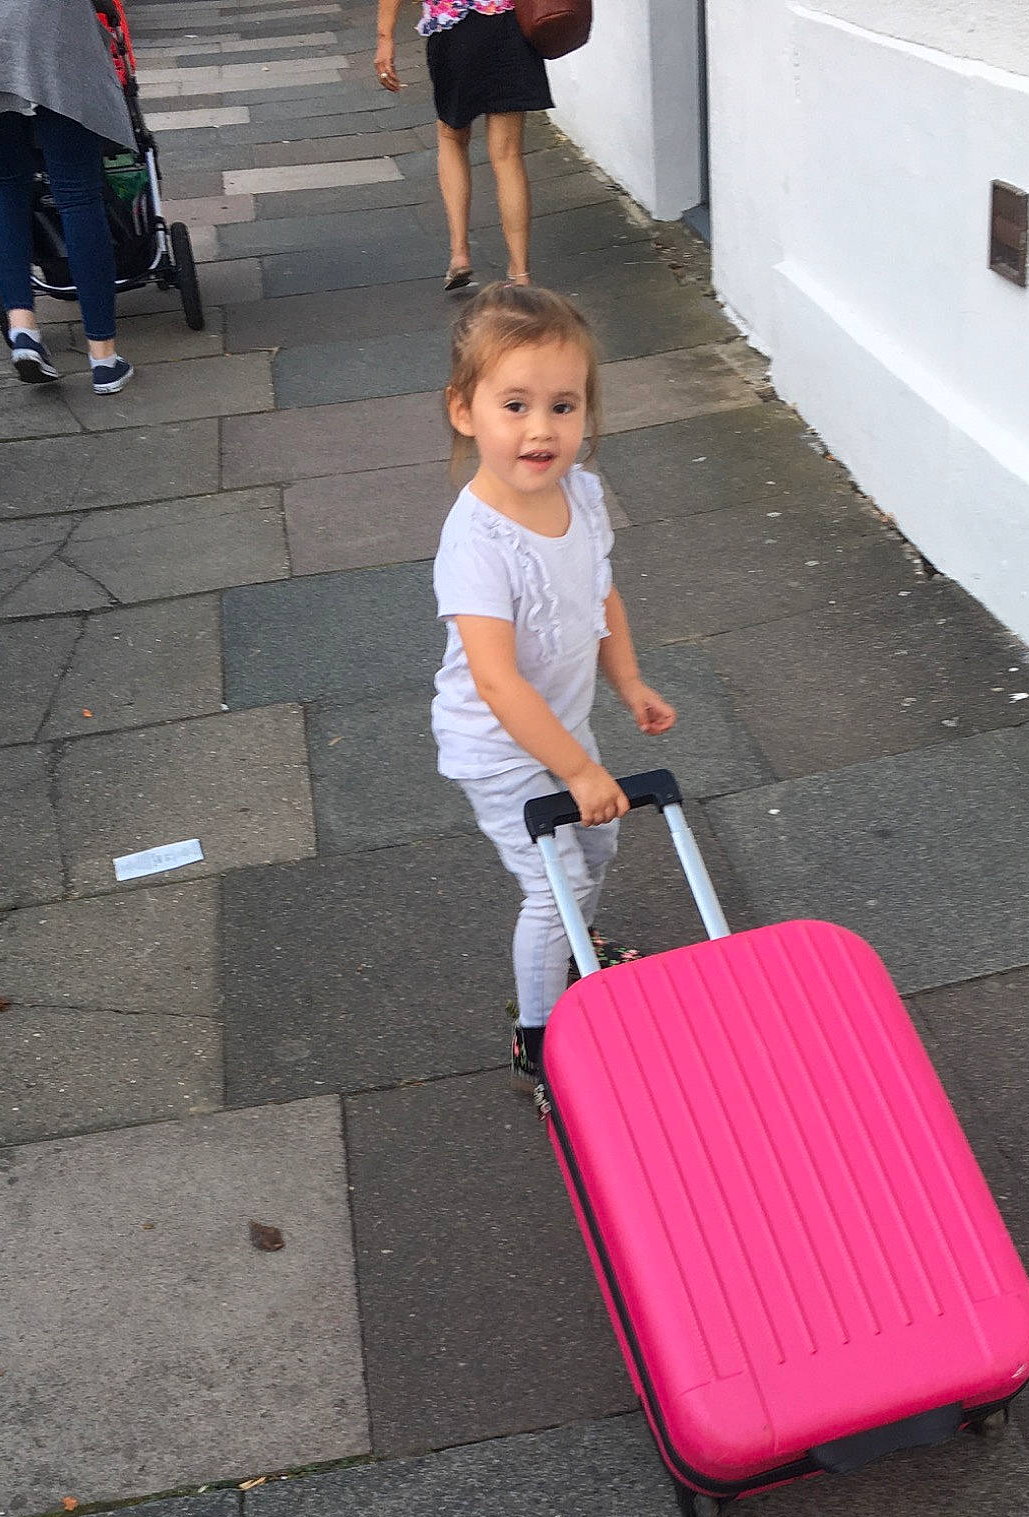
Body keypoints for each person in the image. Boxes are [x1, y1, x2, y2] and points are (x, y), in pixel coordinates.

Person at [432, 283, 678, 1093]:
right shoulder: (476, 543)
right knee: (555, 879)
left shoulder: (582, 493)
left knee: (599, 843)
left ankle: (576, 939)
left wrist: (629, 678)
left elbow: (599, 591)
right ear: (465, 411)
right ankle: (539, 1040)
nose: (542, 428)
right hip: (497, 748)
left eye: (564, 406)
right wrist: (576, 770)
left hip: (563, 727)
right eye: (515, 404)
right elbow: (498, 683)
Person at [0, 0, 134, 394]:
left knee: (4, 183)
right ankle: (104, 359)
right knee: (77, 194)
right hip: (44, 33)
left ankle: (23, 332)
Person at [374, 0, 550, 290]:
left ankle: (459, 254)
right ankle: (520, 273)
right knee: (507, 155)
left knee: (451, 138)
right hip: (510, 26)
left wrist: (385, 38)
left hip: (454, 29)